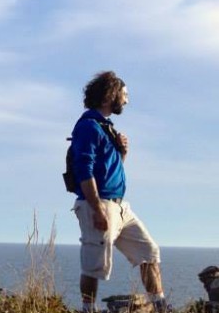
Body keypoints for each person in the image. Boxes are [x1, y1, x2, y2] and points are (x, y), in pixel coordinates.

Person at [69, 71, 169, 312]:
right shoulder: (89, 127)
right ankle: (87, 309)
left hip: (120, 206)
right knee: (94, 263)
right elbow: (84, 169)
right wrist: (97, 209)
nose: (126, 100)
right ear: (109, 96)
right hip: (99, 204)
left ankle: (160, 306)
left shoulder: (105, 128)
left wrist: (122, 153)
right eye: (124, 95)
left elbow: (110, 170)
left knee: (149, 251)